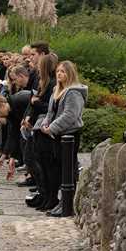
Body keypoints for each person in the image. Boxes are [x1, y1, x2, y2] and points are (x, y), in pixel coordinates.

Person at [36, 60, 87, 216]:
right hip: (56, 135)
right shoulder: (56, 90)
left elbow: (70, 115)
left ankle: (67, 204)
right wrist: (45, 124)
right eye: (58, 71)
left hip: (69, 134)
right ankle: (59, 201)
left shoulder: (74, 92)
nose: (59, 74)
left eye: (63, 72)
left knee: (68, 169)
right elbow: (51, 112)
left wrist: (52, 128)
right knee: (57, 168)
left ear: (69, 74)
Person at [25, 53, 59, 210]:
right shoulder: (44, 83)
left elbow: (52, 108)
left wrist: (37, 103)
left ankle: (50, 197)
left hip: (45, 126)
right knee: (38, 162)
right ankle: (43, 194)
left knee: (47, 165)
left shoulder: (52, 84)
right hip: (37, 124)